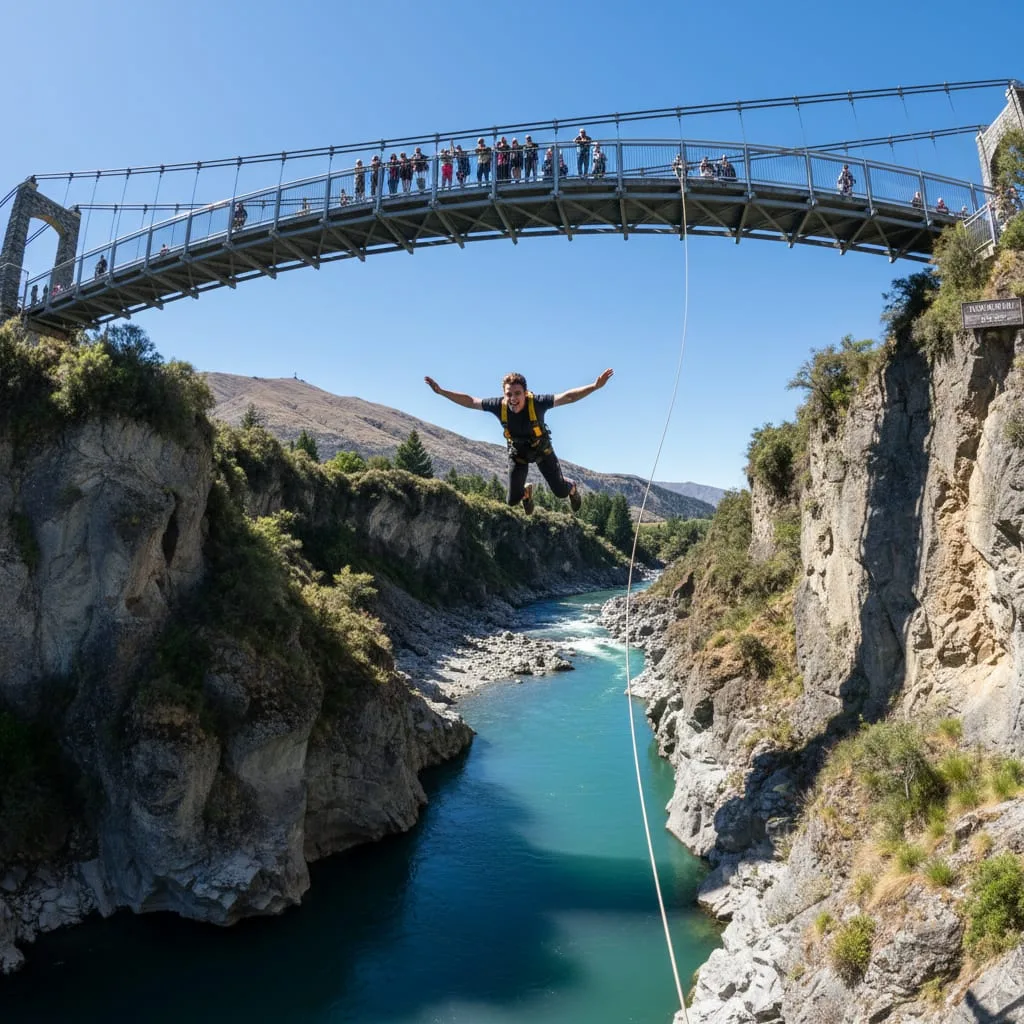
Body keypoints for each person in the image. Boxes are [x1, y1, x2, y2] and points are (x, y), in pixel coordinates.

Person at [424, 369, 614, 514]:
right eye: (509, 394)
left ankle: (571, 487)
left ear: (525, 392)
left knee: (560, 492)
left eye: (517, 393)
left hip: (542, 452)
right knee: (512, 501)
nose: (513, 398)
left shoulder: (538, 402)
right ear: (504, 394)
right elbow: (470, 401)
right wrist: (442, 392)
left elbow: (569, 397)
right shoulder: (498, 406)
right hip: (518, 455)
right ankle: (525, 493)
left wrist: (594, 386)